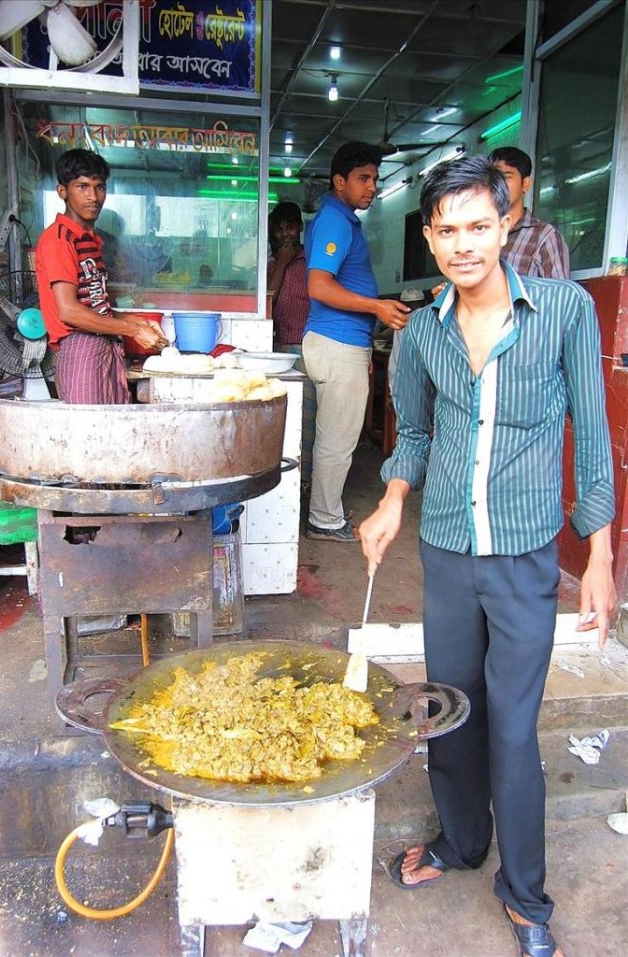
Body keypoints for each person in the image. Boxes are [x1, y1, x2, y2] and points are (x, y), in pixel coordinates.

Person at [359, 155, 615, 957]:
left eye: (479, 226)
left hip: (522, 556)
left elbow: (593, 438)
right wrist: (392, 499)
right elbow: (416, 431)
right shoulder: (421, 332)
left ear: (508, 226)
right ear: (431, 238)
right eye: (448, 230)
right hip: (445, 548)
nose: (463, 244)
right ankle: (461, 841)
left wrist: (599, 556)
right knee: (449, 710)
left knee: (511, 727)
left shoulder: (565, 311)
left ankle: (527, 894)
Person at [303, 141, 411, 542]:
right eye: (363, 178)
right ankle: (324, 520)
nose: (372, 187)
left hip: (339, 342)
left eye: (375, 179)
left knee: (334, 435)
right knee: (337, 439)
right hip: (337, 341)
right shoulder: (334, 220)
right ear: (339, 181)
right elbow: (319, 286)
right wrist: (376, 306)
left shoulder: (341, 219)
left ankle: (325, 509)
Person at [36, 149, 168, 403]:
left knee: (111, 424)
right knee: (89, 426)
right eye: (82, 187)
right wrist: (133, 330)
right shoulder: (60, 239)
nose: (93, 196)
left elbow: (96, 308)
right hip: (80, 350)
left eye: (100, 187)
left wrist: (139, 322)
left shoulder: (90, 240)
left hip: (104, 346)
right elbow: (70, 311)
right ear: (62, 191)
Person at [266, 201, 315, 488]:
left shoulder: (312, 263)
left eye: (290, 227)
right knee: (282, 415)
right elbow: (268, 302)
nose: (285, 234)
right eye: (280, 228)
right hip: (277, 349)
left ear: (300, 228)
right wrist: (282, 264)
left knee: (306, 417)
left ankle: (305, 479)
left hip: (306, 348)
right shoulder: (272, 265)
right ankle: (283, 478)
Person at [489, 146, 570, 278]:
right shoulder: (480, 232)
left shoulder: (544, 237)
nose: (499, 184)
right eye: (494, 178)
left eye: (506, 176)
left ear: (525, 184)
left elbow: (559, 290)